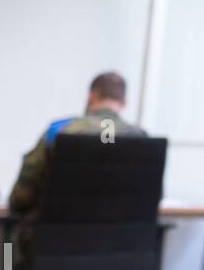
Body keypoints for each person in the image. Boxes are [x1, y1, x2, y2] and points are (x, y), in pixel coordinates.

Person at [8, 71, 147, 259]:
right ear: (124, 104)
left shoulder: (60, 132)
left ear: (90, 97)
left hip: (54, 253)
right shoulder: (142, 139)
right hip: (120, 256)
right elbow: (151, 198)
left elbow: (21, 198)